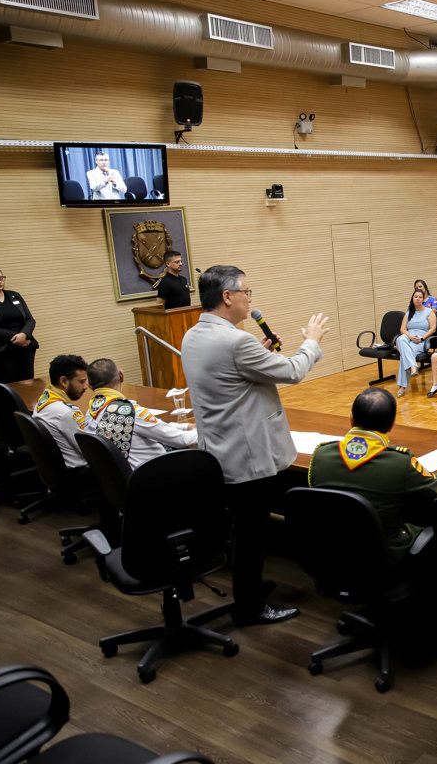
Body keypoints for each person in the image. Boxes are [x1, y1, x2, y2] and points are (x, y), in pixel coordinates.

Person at [181, 264, 329, 625]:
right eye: (247, 292)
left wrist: (258, 353)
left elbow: (232, 376)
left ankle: (251, 588)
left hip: (220, 450)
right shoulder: (235, 341)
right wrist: (311, 340)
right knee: (253, 535)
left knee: (244, 529)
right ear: (227, 296)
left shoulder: (193, 335)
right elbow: (293, 371)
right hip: (248, 455)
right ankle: (249, 608)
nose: (250, 299)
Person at [307, 387, 437, 563]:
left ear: (351, 419)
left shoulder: (321, 455)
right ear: (392, 424)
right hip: (382, 559)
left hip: (329, 554)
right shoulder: (399, 461)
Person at [84, 357, 197, 467]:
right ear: (121, 376)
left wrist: (185, 426)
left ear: (89, 385)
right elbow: (181, 440)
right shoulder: (131, 411)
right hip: (157, 472)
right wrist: (206, 431)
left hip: (128, 478)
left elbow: (153, 427)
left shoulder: (90, 413)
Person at [32, 354, 89, 468]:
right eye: (82, 381)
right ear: (64, 381)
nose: (85, 387)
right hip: (81, 473)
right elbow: (90, 449)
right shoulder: (66, 413)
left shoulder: (44, 399)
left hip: (57, 470)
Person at [395, 289, 437, 397]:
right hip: (409, 337)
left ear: (423, 299)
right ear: (412, 299)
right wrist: (410, 337)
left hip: (421, 339)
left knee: (405, 354)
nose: (417, 299)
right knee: (400, 339)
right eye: (415, 297)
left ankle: (402, 387)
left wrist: (422, 338)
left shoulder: (429, 312)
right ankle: (413, 366)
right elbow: (402, 330)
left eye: (420, 297)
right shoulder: (408, 313)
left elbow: (433, 329)